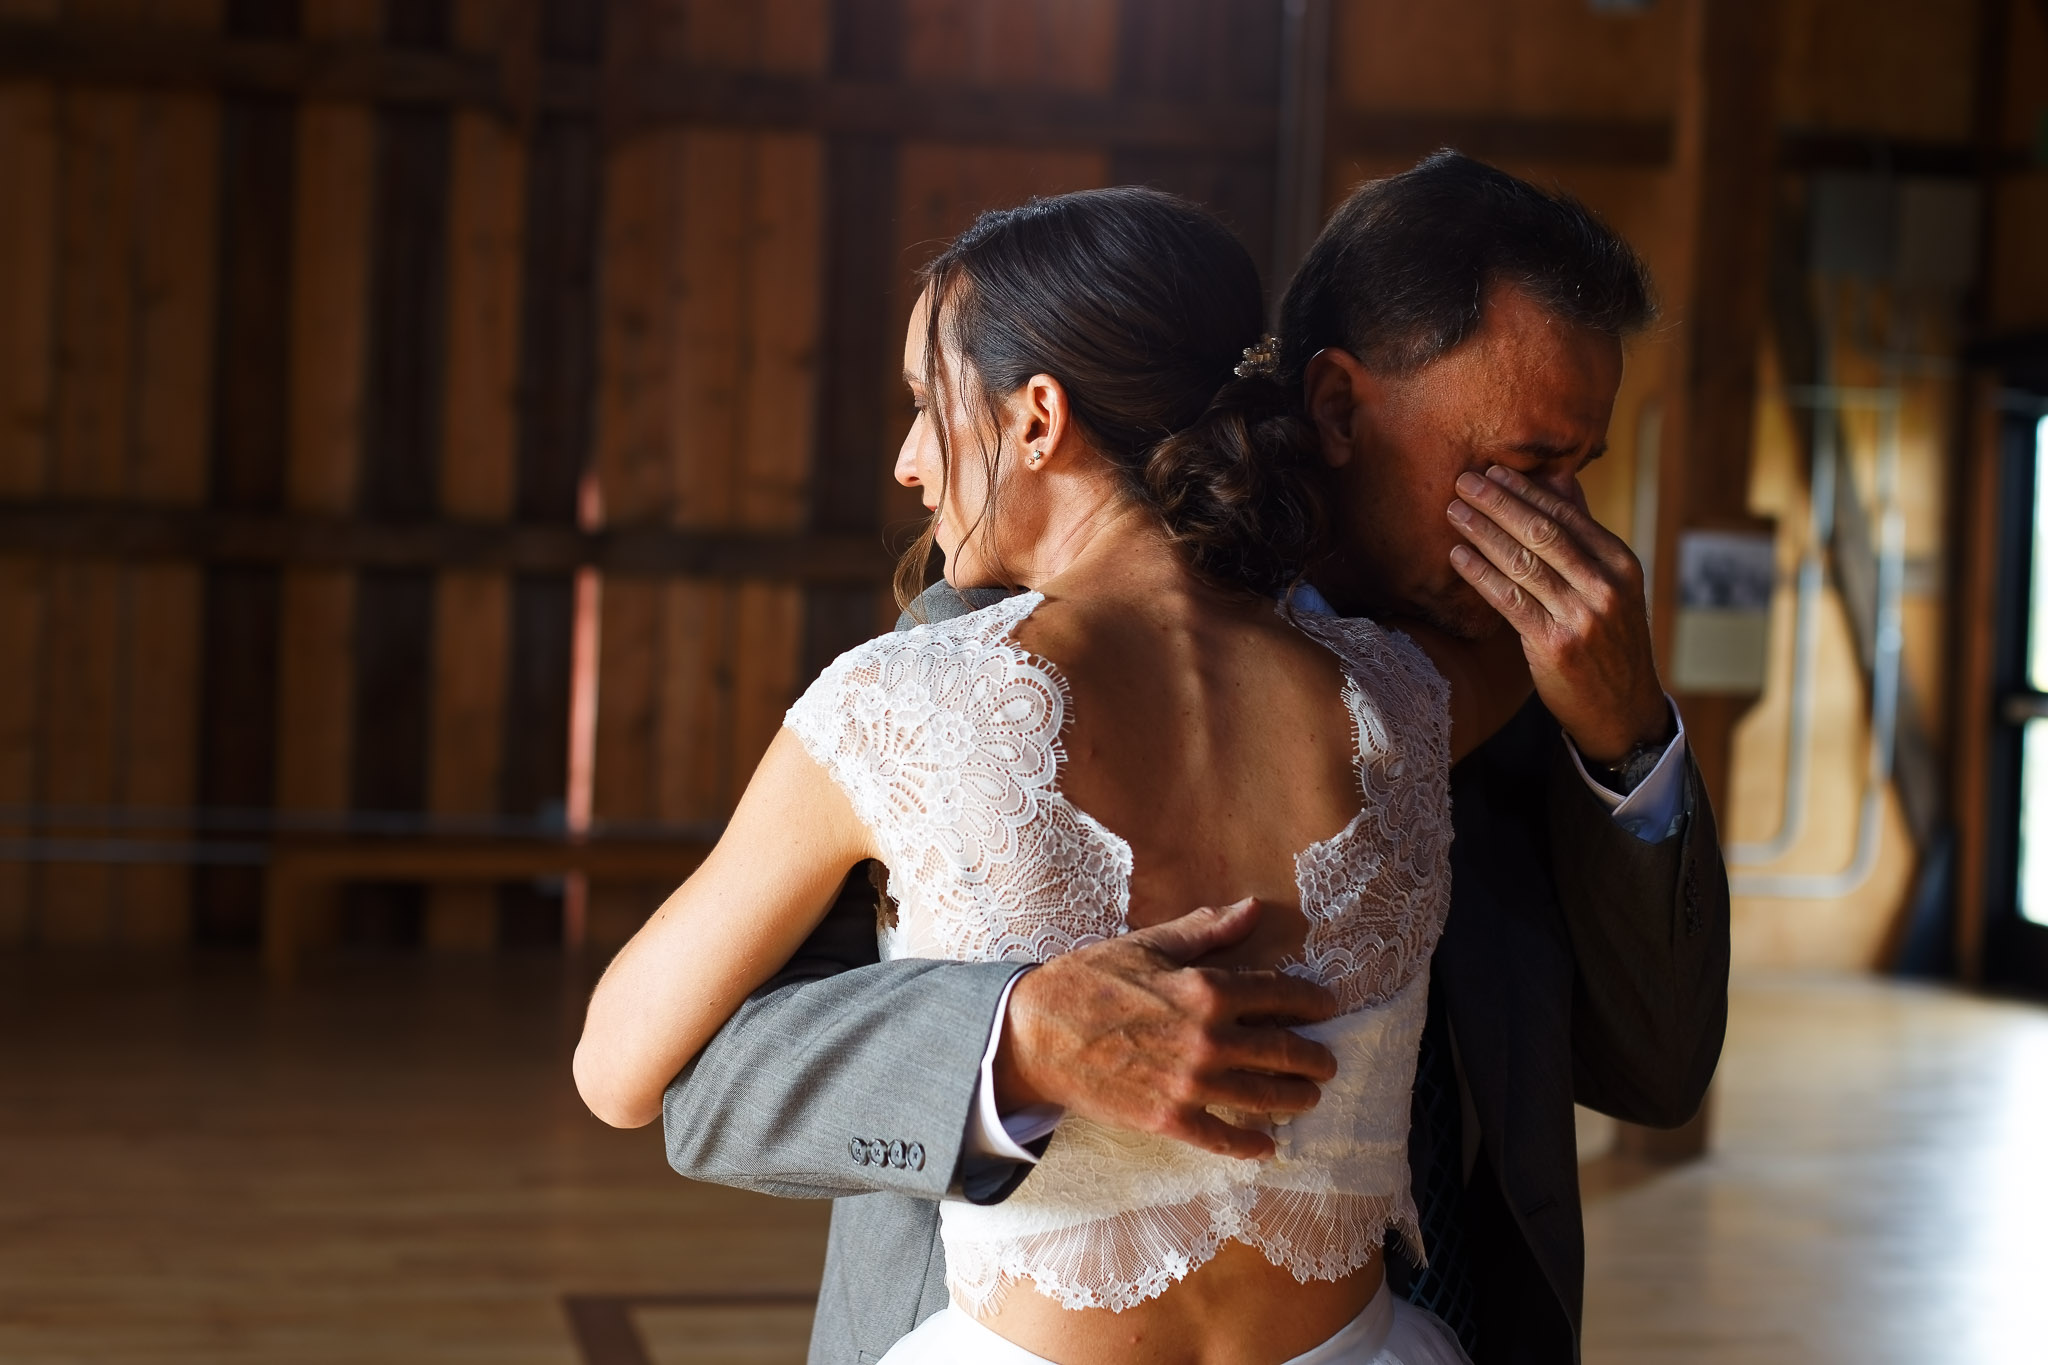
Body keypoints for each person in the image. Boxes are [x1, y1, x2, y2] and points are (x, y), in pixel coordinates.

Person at [651, 153, 1730, 1365]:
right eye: (1524, 466)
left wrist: (1624, 739)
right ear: (1331, 405)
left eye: (1579, 471)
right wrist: (1004, 1041)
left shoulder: (1528, 668)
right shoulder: (968, 682)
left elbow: (1653, 1072)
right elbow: (712, 1069)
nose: (1566, 530)